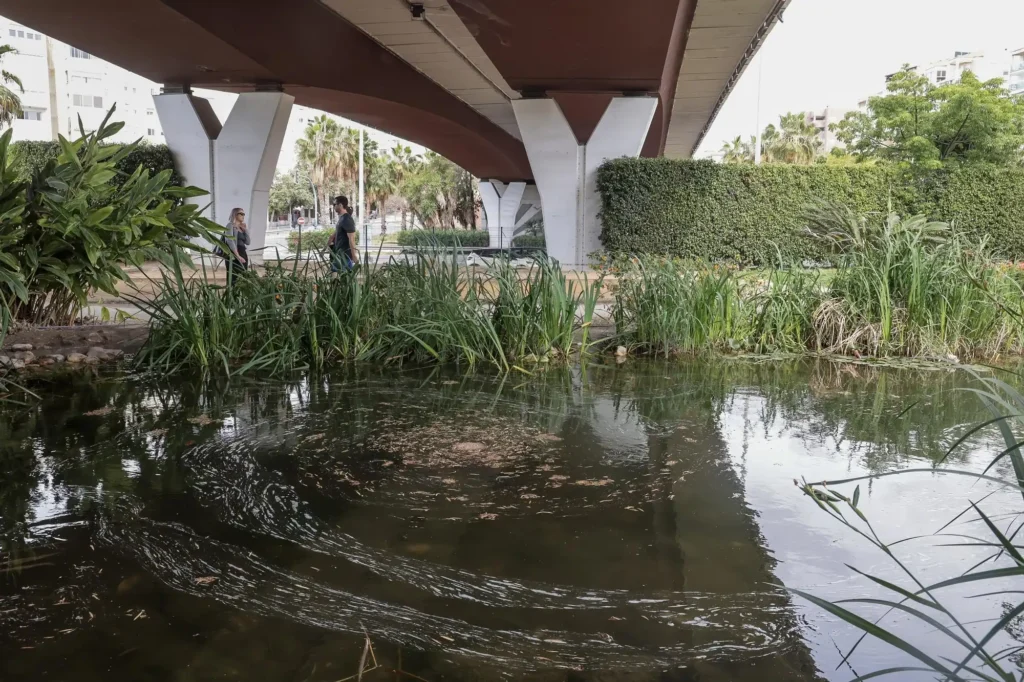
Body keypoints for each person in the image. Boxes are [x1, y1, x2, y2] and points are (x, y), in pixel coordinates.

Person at [327, 195, 358, 272]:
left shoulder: (347, 219)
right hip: (338, 255)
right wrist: (326, 248)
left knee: (345, 280)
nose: (333, 207)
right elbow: (333, 236)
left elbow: (352, 239)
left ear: (340, 205)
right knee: (334, 278)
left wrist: (354, 256)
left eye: (334, 204)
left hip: (345, 257)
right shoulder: (341, 219)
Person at [219, 207, 248, 286]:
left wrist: (245, 230)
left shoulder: (242, 227)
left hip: (243, 253)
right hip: (233, 254)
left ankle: (241, 296)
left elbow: (248, 242)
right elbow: (229, 240)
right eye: (241, 214)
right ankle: (231, 296)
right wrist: (237, 255)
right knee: (233, 277)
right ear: (235, 214)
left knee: (243, 276)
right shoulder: (230, 225)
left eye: (244, 214)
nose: (243, 216)